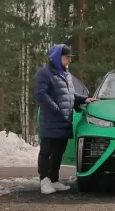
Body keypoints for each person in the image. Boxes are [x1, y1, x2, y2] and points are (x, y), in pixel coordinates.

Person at [34, 44, 98, 194]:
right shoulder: (44, 73)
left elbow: (70, 96)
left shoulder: (66, 74)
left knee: (58, 152)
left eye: (70, 57)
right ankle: (44, 181)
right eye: (67, 57)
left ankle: (54, 180)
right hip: (51, 121)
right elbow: (41, 95)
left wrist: (84, 99)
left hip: (64, 121)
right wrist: (56, 109)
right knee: (46, 152)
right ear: (57, 57)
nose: (69, 60)